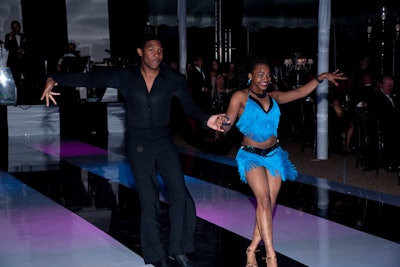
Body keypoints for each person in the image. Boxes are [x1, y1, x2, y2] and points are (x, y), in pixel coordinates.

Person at [40, 34, 227, 267]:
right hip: (138, 143)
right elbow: (91, 79)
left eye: (160, 50)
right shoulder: (125, 77)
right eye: (151, 50)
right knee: (149, 199)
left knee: (180, 195)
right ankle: (156, 255)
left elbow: (189, 107)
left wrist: (206, 119)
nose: (157, 54)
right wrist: (54, 78)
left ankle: (178, 248)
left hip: (164, 141)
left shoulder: (173, 79)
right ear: (140, 52)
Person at [220, 55, 346, 267]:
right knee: (263, 201)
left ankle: (251, 248)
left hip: (274, 155)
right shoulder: (240, 97)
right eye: (260, 74)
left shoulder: (274, 97)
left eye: (268, 75)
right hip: (250, 155)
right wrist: (220, 124)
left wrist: (321, 77)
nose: (265, 78)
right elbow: (227, 123)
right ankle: (271, 257)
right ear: (250, 76)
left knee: (268, 206)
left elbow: (298, 93)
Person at [4, 20, 28, 102]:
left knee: (27, 79)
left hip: (24, 62)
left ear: (19, 27)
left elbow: (30, 47)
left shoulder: (24, 36)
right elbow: (6, 47)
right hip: (13, 62)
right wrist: (10, 38)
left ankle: (27, 98)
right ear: (11, 28)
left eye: (16, 26)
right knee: (15, 80)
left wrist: (24, 51)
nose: (15, 28)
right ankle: (16, 99)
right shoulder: (8, 36)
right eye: (13, 27)